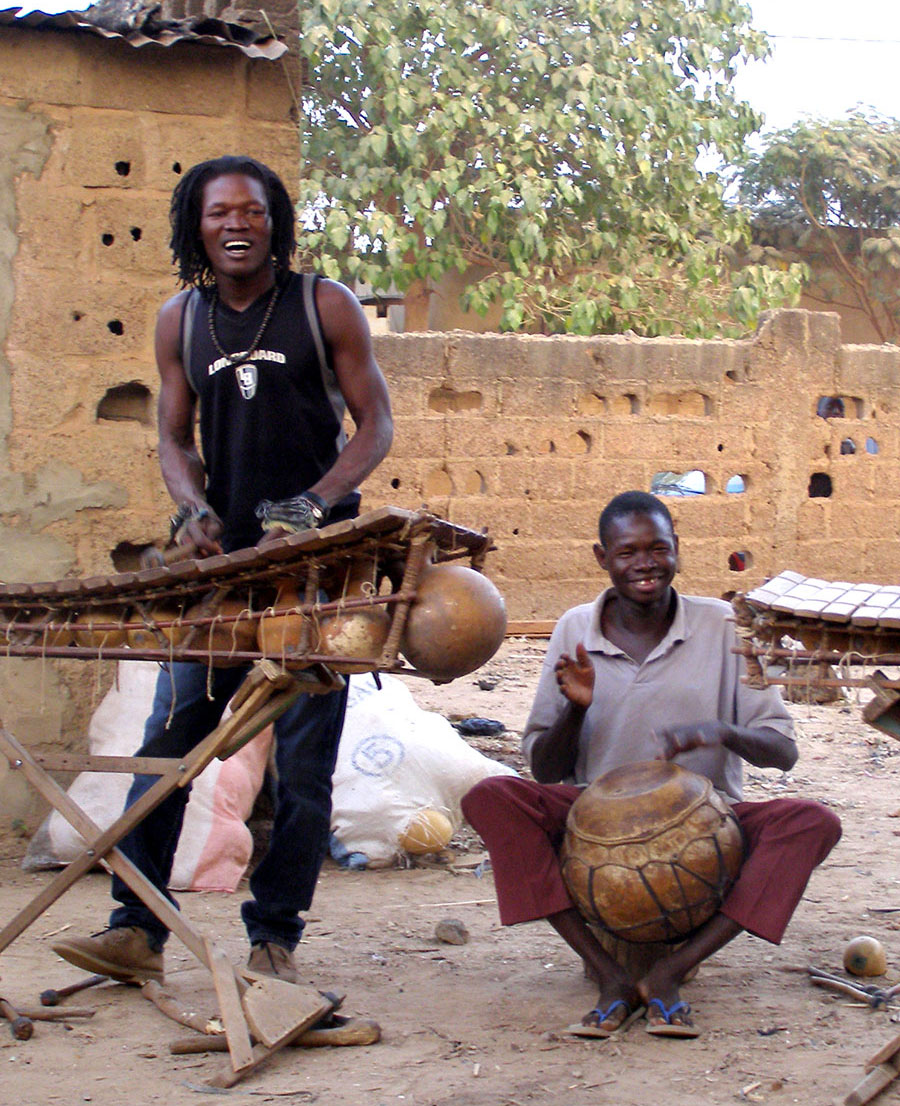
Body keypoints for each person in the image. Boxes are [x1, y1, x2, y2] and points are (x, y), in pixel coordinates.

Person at [54, 155, 393, 985]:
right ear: (196, 227)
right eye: (218, 214)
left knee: (304, 766)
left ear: (274, 220)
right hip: (223, 575)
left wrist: (314, 507)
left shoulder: (324, 306)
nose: (235, 224)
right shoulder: (181, 320)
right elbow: (173, 438)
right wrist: (193, 507)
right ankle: (136, 931)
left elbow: (375, 425)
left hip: (320, 575)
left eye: (251, 210)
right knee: (169, 741)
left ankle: (274, 936)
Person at [461, 491, 841, 1038]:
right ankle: (608, 973)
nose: (645, 563)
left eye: (658, 548)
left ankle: (669, 973)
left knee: (813, 823)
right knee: (490, 797)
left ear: (678, 551)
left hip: (709, 823)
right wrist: (575, 707)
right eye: (627, 552)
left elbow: (784, 752)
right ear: (602, 557)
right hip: (595, 825)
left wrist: (720, 731)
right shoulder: (574, 629)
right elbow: (545, 770)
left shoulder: (724, 625)